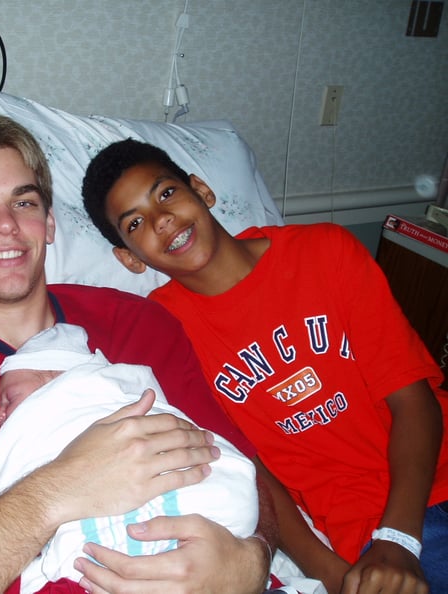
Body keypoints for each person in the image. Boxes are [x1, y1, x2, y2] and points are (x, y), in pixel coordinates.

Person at [0, 114, 281, 594]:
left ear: (47, 224)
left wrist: (253, 559)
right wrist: (56, 491)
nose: (5, 226)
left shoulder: (140, 326)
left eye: (23, 202)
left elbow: (244, 469)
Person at [81, 137, 448, 594]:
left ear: (202, 190)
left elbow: (414, 396)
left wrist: (398, 538)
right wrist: (329, 574)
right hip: (366, 527)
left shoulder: (326, 253)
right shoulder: (163, 335)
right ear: (130, 258)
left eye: (167, 193)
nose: (162, 220)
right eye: (135, 222)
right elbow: (253, 471)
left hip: (423, 486)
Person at [0, 322, 259, 594]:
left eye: (8, 397)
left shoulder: (129, 340)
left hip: (215, 533)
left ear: (58, 377)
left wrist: (252, 562)